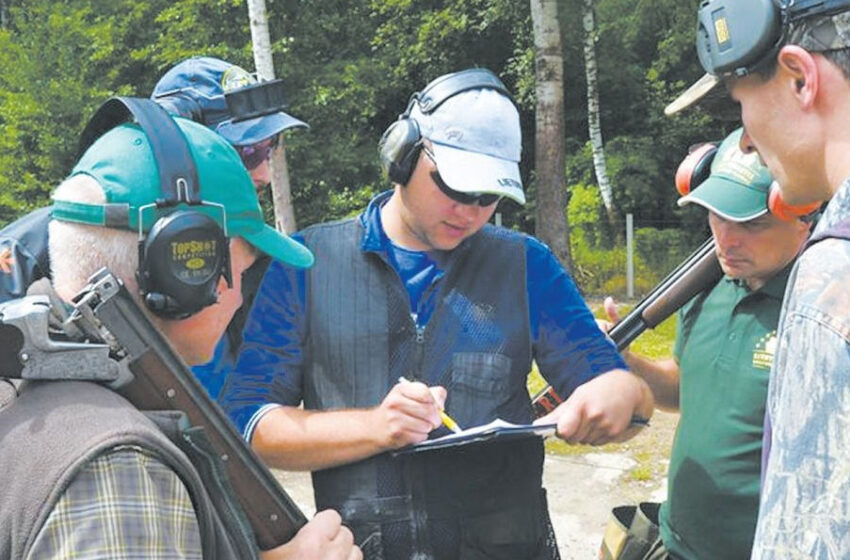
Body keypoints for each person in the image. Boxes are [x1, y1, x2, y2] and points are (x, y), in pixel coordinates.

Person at [219, 68, 654, 559]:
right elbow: (249, 425)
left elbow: (621, 392)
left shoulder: (526, 265)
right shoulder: (305, 266)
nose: (469, 211)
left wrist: (622, 391)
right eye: (453, 186)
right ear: (402, 155)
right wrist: (377, 427)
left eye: (487, 197)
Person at [0, 106, 358, 559]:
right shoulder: (116, 469)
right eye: (244, 272)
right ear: (185, 272)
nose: (239, 298)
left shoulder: (24, 387)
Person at [0, 55, 308, 398]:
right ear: (175, 144)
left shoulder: (253, 250)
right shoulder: (28, 250)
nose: (265, 173)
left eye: (270, 149)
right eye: (247, 151)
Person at [666, 1, 850, 556]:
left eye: (742, 101)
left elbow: (809, 538)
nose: (745, 138)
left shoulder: (832, 277)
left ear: (800, 78)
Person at [599, 128, 811, 560]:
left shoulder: (821, 310)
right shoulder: (705, 286)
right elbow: (684, 387)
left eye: (751, 223)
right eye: (716, 215)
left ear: (803, 213)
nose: (726, 239)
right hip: (678, 542)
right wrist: (627, 361)